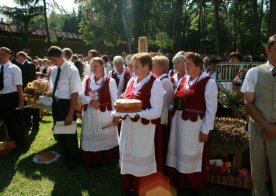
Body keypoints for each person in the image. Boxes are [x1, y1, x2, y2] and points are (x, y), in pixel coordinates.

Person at [166, 52, 218, 195]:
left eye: (189, 63)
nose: (186, 66)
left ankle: (192, 185)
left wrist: (205, 130)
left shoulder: (208, 82)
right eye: (185, 63)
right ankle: (179, 181)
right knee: (179, 152)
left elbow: (211, 109)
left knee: (192, 154)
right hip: (178, 123)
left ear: (199, 65)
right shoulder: (184, 79)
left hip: (194, 126)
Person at [113, 53, 165, 194]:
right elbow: (125, 102)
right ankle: (129, 185)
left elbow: (156, 112)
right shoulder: (131, 81)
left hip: (144, 129)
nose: (133, 68)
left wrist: (136, 113)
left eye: (136, 66)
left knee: (141, 158)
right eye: (133, 65)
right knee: (129, 155)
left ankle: (142, 188)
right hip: (128, 128)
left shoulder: (156, 83)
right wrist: (118, 112)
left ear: (147, 66)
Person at [241, 34, 276, 196]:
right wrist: (267, 126)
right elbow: (248, 104)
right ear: (267, 50)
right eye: (275, 49)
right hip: (257, 129)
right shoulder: (254, 73)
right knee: (258, 172)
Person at [80, 57, 119, 166]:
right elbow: (81, 96)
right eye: (92, 66)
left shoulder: (110, 81)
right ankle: (91, 159)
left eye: (96, 66)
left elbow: (115, 100)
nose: (93, 68)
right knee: (91, 135)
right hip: (90, 115)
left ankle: (106, 159)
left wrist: (116, 115)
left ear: (103, 66)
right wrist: (91, 101)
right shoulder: (87, 80)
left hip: (104, 115)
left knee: (104, 136)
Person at [48, 46, 82, 170]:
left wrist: (70, 113)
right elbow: (53, 88)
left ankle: (73, 159)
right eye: (51, 60)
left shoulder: (72, 70)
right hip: (56, 104)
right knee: (60, 133)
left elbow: (74, 94)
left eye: (54, 59)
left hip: (67, 105)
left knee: (69, 134)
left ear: (62, 55)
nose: (52, 62)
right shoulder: (54, 70)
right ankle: (65, 157)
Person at [0, 47, 25, 148]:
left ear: (9, 56)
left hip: (12, 97)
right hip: (1, 98)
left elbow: (19, 87)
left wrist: (21, 102)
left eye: (3, 54)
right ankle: (10, 141)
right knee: (6, 121)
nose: (1, 56)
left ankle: (20, 143)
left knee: (16, 121)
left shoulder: (14, 68)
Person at [152, 55, 174, 164]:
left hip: (160, 119)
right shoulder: (160, 80)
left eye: (153, 65)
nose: (151, 67)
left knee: (160, 144)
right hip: (157, 118)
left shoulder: (164, 82)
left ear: (162, 67)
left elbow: (164, 104)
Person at [16, 51, 39, 131]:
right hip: (23, 89)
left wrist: (28, 89)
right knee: (26, 107)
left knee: (33, 107)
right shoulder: (20, 65)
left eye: (18, 57)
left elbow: (31, 78)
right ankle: (27, 123)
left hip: (30, 89)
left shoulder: (30, 64)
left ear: (22, 57)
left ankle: (35, 124)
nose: (17, 59)